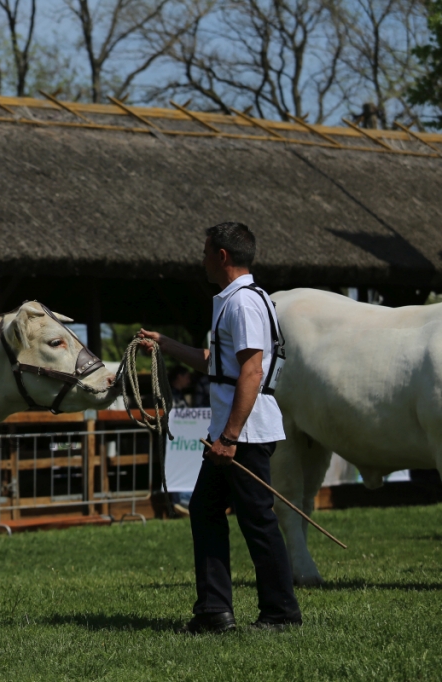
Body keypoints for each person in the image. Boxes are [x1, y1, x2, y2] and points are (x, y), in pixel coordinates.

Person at [138, 222, 301, 634]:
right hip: (235, 431)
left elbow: (251, 371)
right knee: (206, 510)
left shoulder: (243, 304)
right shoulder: (242, 299)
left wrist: (229, 437)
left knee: (258, 521)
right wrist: (163, 343)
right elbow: (218, 361)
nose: (202, 258)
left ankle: (281, 613)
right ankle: (214, 612)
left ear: (222, 256)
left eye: (206, 250)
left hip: (242, 434)